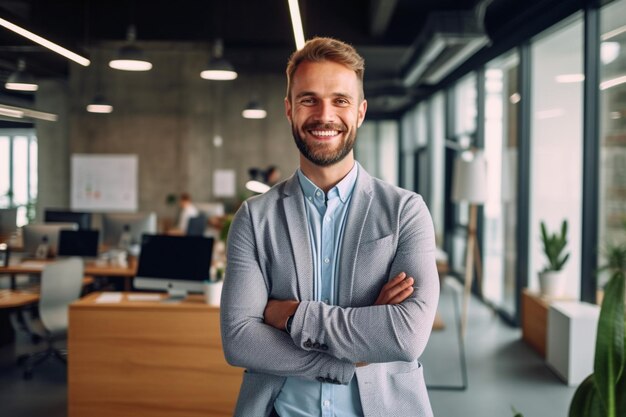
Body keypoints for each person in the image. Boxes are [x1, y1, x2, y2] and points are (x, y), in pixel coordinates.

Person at [221, 37, 439, 417]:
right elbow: (240, 340)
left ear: (360, 112)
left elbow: (406, 336)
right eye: (309, 99)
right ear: (289, 109)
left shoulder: (406, 211)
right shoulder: (254, 218)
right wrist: (352, 353)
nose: (325, 115)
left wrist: (289, 316)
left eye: (340, 100)